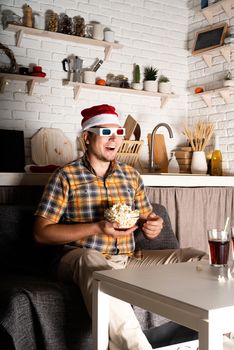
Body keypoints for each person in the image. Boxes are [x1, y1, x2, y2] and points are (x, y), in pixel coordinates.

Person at [33, 104, 197, 350]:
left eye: (119, 132)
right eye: (106, 133)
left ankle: (214, 334)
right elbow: (41, 233)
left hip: (127, 259)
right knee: (91, 260)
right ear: (87, 137)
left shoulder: (131, 176)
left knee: (198, 259)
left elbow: (147, 217)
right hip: (77, 258)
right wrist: (98, 227)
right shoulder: (65, 176)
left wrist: (153, 225)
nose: (115, 139)